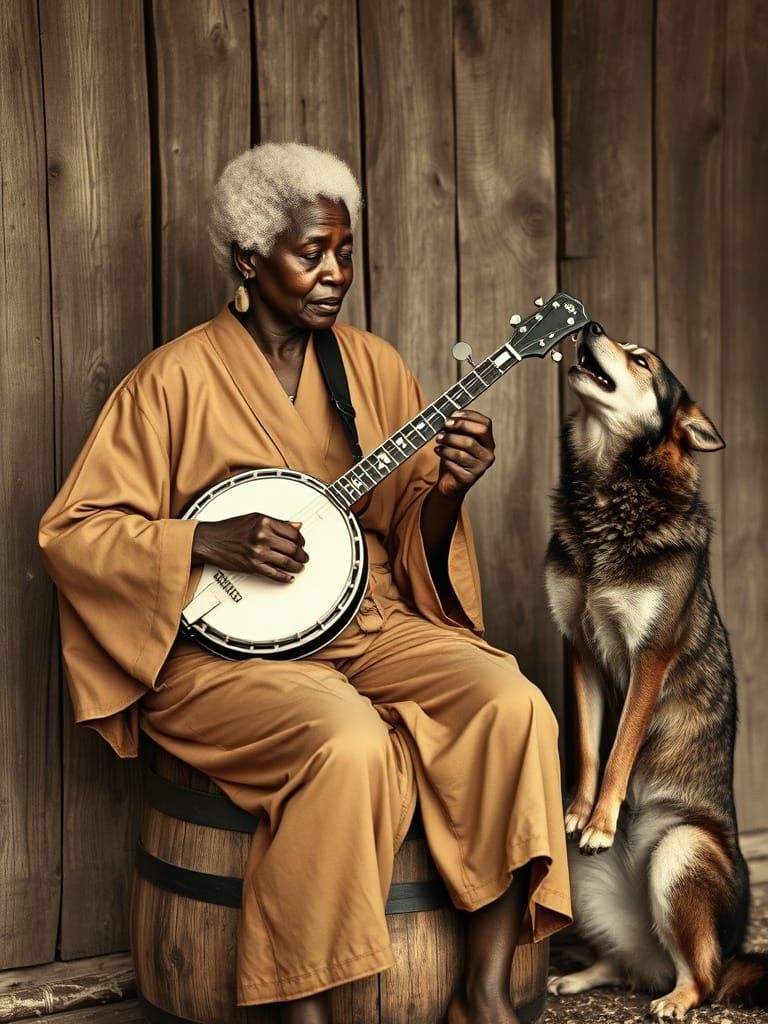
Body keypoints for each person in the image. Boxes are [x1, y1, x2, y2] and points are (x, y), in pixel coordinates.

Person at [39, 143, 571, 1024]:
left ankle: (482, 994)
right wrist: (207, 540)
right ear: (249, 260)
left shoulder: (372, 368)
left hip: (367, 627)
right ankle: (306, 1012)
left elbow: (413, 540)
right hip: (221, 659)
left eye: (345, 252)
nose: (335, 273)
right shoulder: (168, 383)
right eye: (311, 252)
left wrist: (448, 489)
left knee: (510, 702)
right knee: (346, 743)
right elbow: (76, 532)